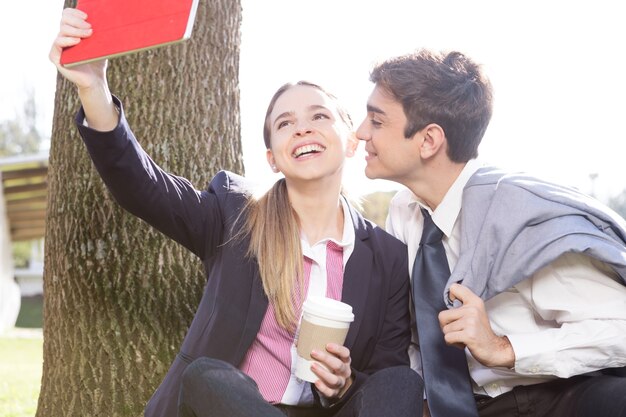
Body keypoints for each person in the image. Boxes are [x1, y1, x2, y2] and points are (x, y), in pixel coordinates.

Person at [49, 8, 424, 417]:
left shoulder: (385, 255)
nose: (302, 128)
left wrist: (345, 383)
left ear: (350, 141)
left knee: (401, 382)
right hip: (238, 409)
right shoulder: (235, 215)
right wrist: (93, 87)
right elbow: (144, 187)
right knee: (208, 376)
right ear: (273, 159)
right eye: (285, 123)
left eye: (319, 116)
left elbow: (385, 374)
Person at [355, 48, 626, 417]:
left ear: (429, 140)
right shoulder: (405, 213)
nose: (360, 133)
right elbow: (414, 337)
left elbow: (619, 328)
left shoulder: (518, 216)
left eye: (377, 121)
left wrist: (504, 348)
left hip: (554, 397)